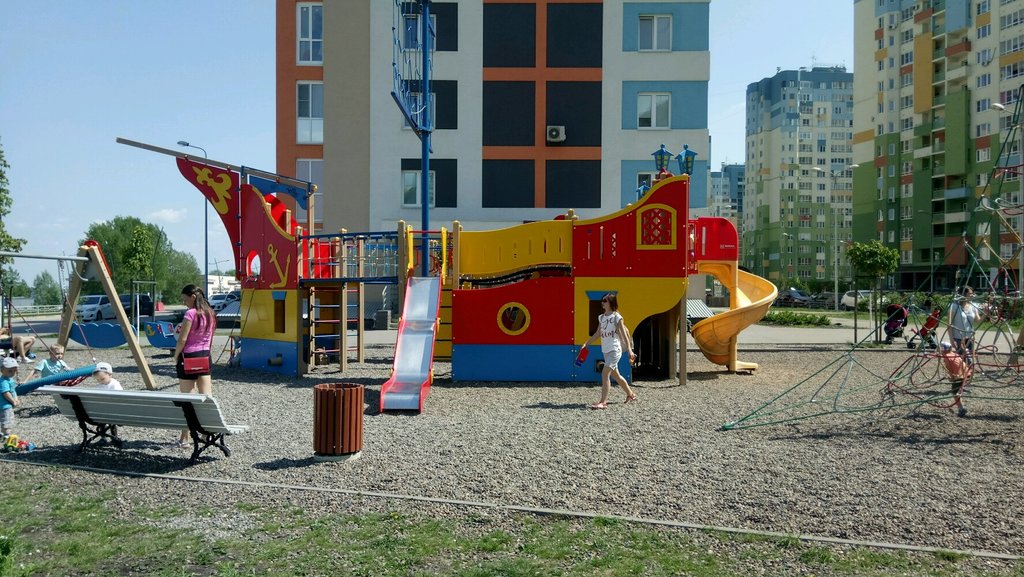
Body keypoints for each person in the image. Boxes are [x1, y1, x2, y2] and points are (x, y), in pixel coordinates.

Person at [173, 284, 217, 447]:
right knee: (206, 396)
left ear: (192, 297)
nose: (184, 303)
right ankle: (207, 432)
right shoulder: (211, 313)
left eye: (185, 300)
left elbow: (182, 339)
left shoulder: (191, 314)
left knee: (188, 398)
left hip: (188, 357)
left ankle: (185, 437)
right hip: (205, 357)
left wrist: (176, 356)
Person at [581, 293, 637, 409]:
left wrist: (629, 351)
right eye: (602, 300)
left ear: (611, 303)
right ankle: (631, 394)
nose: (602, 302)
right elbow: (597, 334)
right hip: (606, 351)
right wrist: (586, 343)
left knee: (605, 373)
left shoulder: (617, 317)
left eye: (605, 301)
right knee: (616, 375)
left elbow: (624, 336)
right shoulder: (601, 318)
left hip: (615, 350)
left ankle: (603, 402)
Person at [948, 285, 984, 365]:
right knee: (964, 361)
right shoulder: (954, 307)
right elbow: (949, 325)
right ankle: (962, 375)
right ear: (963, 294)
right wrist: (951, 340)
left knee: (970, 362)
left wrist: (986, 313)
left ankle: (968, 376)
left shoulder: (973, 307)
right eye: (970, 293)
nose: (972, 295)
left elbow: (978, 321)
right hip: (958, 339)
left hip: (970, 339)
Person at [0, 357, 20, 438]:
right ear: (2, 370)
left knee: (5, 417)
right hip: (5, 405)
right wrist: (13, 401)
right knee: (7, 418)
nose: (12, 373)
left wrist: (16, 398)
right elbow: (6, 393)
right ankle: (6, 434)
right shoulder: (3, 381)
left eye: (14, 371)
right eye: (9, 371)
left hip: (6, 404)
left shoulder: (9, 380)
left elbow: (13, 391)